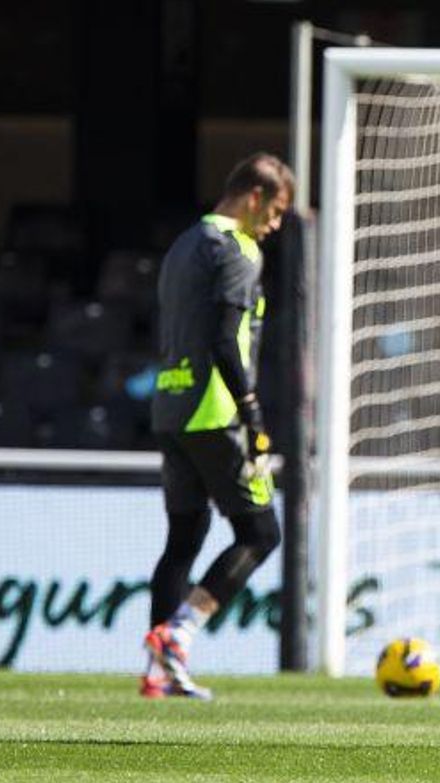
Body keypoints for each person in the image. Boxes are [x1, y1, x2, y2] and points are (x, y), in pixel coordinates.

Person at [141, 153, 294, 700]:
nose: (274, 226)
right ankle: (179, 633)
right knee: (261, 532)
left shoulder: (184, 244)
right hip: (216, 410)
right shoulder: (237, 248)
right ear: (254, 197)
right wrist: (252, 414)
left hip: (170, 405)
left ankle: (158, 673)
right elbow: (227, 339)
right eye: (275, 212)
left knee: (185, 534)